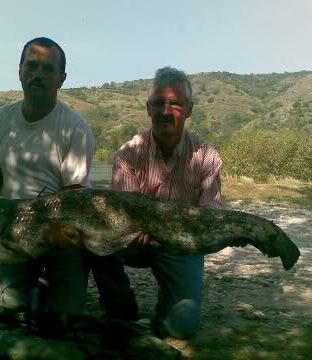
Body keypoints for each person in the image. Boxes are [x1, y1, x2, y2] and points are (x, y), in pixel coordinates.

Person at [0, 37, 95, 316]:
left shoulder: (75, 127)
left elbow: (75, 197)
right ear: (20, 71)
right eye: (32, 65)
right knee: (6, 314)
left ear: (61, 79)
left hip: (63, 236)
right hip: (14, 236)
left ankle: (49, 287)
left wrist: (57, 232)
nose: (38, 74)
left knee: (65, 320)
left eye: (48, 69)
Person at [110, 67, 222, 339]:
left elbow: (211, 218)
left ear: (189, 109)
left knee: (181, 327)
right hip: (132, 242)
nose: (165, 110)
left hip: (181, 246)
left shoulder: (207, 157)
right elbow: (124, 214)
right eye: (158, 103)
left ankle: (165, 309)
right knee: (95, 240)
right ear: (148, 108)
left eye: (175, 104)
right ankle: (117, 299)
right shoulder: (128, 154)